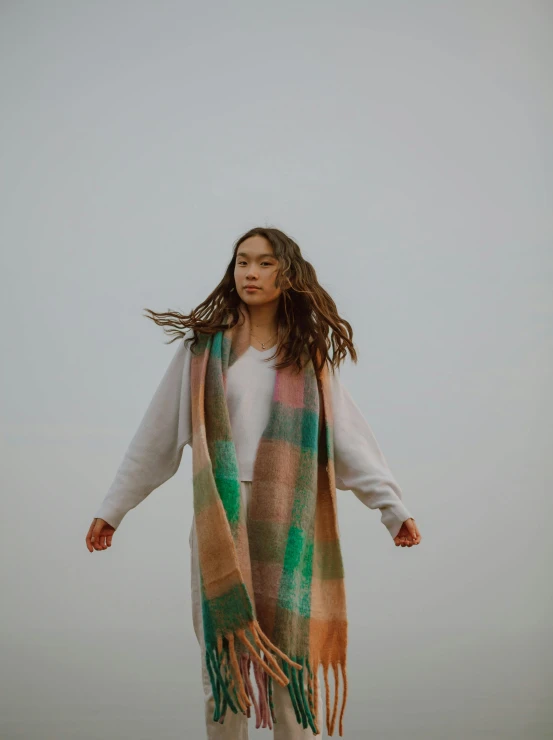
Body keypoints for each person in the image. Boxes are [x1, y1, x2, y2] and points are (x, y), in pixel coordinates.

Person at [86, 226, 421, 738]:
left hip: (289, 517)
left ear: (287, 275)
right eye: (243, 261)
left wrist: (392, 509)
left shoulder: (306, 356)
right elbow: (155, 438)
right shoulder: (202, 353)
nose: (250, 272)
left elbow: (348, 441)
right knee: (223, 665)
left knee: (289, 662)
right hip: (220, 516)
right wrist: (114, 509)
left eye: (264, 263)